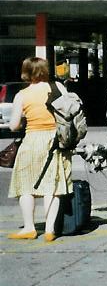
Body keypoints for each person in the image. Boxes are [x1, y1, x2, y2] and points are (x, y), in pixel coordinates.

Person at [7, 57, 72, 242]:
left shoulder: (22, 95)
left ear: (26, 72)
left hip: (31, 141)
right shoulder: (58, 88)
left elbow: (13, 125)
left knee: (26, 186)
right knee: (52, 186)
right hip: (55, 140)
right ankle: (50, 230)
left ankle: (29, 228)